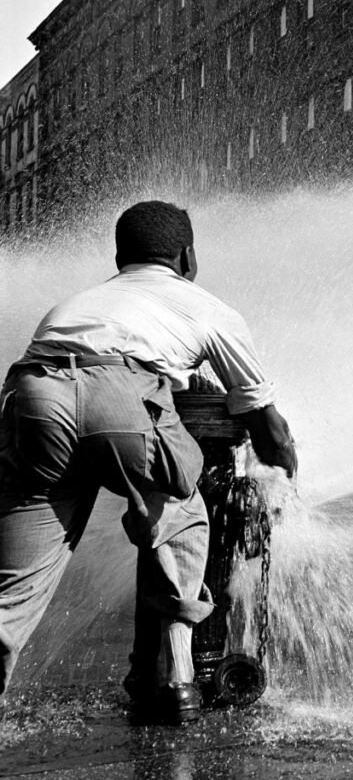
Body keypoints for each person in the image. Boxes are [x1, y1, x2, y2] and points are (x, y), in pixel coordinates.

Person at [0, 200, 298, 725]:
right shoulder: (205, 307)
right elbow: (266, 426)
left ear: (120, 257)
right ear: (187, 257)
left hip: (34, 396)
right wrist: (289, 490)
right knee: (183, 503)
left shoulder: (79, 304)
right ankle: (176, 677)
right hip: (117, 396)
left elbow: (116, 365)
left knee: (14, 588)